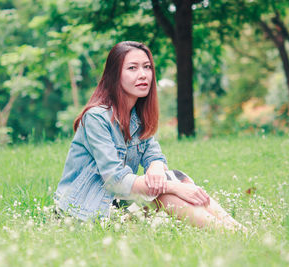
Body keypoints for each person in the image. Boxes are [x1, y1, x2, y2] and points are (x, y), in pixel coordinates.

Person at [54, 41, 245, 231]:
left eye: (147, 67)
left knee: (176, 177)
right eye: (132, 68)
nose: (143, 74)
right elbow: (115, 180)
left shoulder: (137, 116)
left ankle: (234, 228)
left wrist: (155, 167)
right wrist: (174, 187)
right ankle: (230, 232)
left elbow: (154, 154)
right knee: (165, 188)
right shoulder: (96, 117)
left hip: (114, 205)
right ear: (114, 75)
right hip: (83, 211)